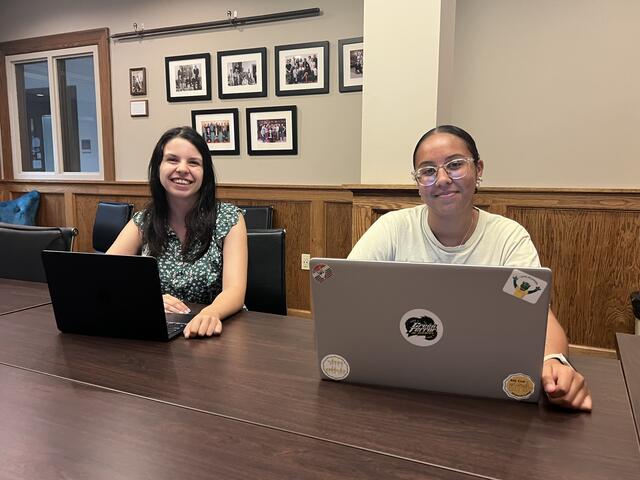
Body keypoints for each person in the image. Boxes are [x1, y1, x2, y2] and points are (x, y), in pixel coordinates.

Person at [348, 125, 592, 411]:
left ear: (478, 169)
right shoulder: (391, 229)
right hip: (399, 385)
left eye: (454, 165)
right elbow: (349, 293)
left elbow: (536, 310)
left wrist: (554, 360)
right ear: (417, 182)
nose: (441, 179)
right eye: (427, 171)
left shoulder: (507, 238)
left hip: (485, 392)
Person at [107, 126, 247, 339]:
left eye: (193, 162)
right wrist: (146, 299)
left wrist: (209, 313)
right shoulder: (143, 221)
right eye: (172, 160)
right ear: (158, 167)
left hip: (218, 331)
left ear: (205, 173)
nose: (182, 169)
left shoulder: (229, 218)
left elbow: (235, 291)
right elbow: (104, 276)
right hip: (159, 333)